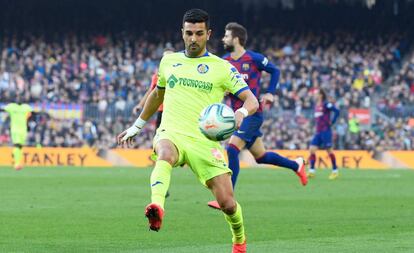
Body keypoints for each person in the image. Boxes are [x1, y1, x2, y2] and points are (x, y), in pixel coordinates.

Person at [117, 9, 258, 253]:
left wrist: (240, 114)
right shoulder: (169, 61)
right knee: (164, 153)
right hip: (172, 131)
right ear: (182, 33)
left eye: (199, 34)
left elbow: (252, 100)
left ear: (208, 34)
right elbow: (158, 94)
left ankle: (239, 241)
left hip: (205, 142)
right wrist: (136, 126)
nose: (193, 39)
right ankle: (157, 207)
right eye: (189, 33)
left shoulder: (221, 67)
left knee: (227, 203)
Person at [207, 22, 307, 210]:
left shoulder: (253, 58)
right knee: (260, 156)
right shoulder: (224, 62)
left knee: (232, 149)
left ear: (236, 39)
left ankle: (228, 198)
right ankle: (297, 165)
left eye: (226, 36)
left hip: (252, 113)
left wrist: (270, 92)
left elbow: (275, 71)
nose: (223, 39)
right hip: (235, 115)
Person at [133, 45, 175, 129]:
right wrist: (140, 105)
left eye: (170, 57)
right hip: (162, 111)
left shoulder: (181, 75)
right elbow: (151, 91)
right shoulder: (157, 76)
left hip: (176, 111)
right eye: (165, 57)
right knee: (158, 138)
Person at [307, 88, 340, 180]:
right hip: (318, 132)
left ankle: (335, 171)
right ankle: (312, 171)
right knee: (312, 149)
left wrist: (332, 122)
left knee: (329, 151)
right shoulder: (316, 106)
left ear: (321, 95)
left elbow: (337, 111)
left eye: (316, 93)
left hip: (326, 131)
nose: (314, 95)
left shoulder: (326, 104)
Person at [0, 97, 33, 170]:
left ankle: (18, 162)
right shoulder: (13, 106)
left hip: (23, 130)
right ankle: (17, 163)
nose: (19, 99)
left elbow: (30, 115)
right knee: (17, 145)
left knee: (20, 146)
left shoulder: (24, 107)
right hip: (15, 130)